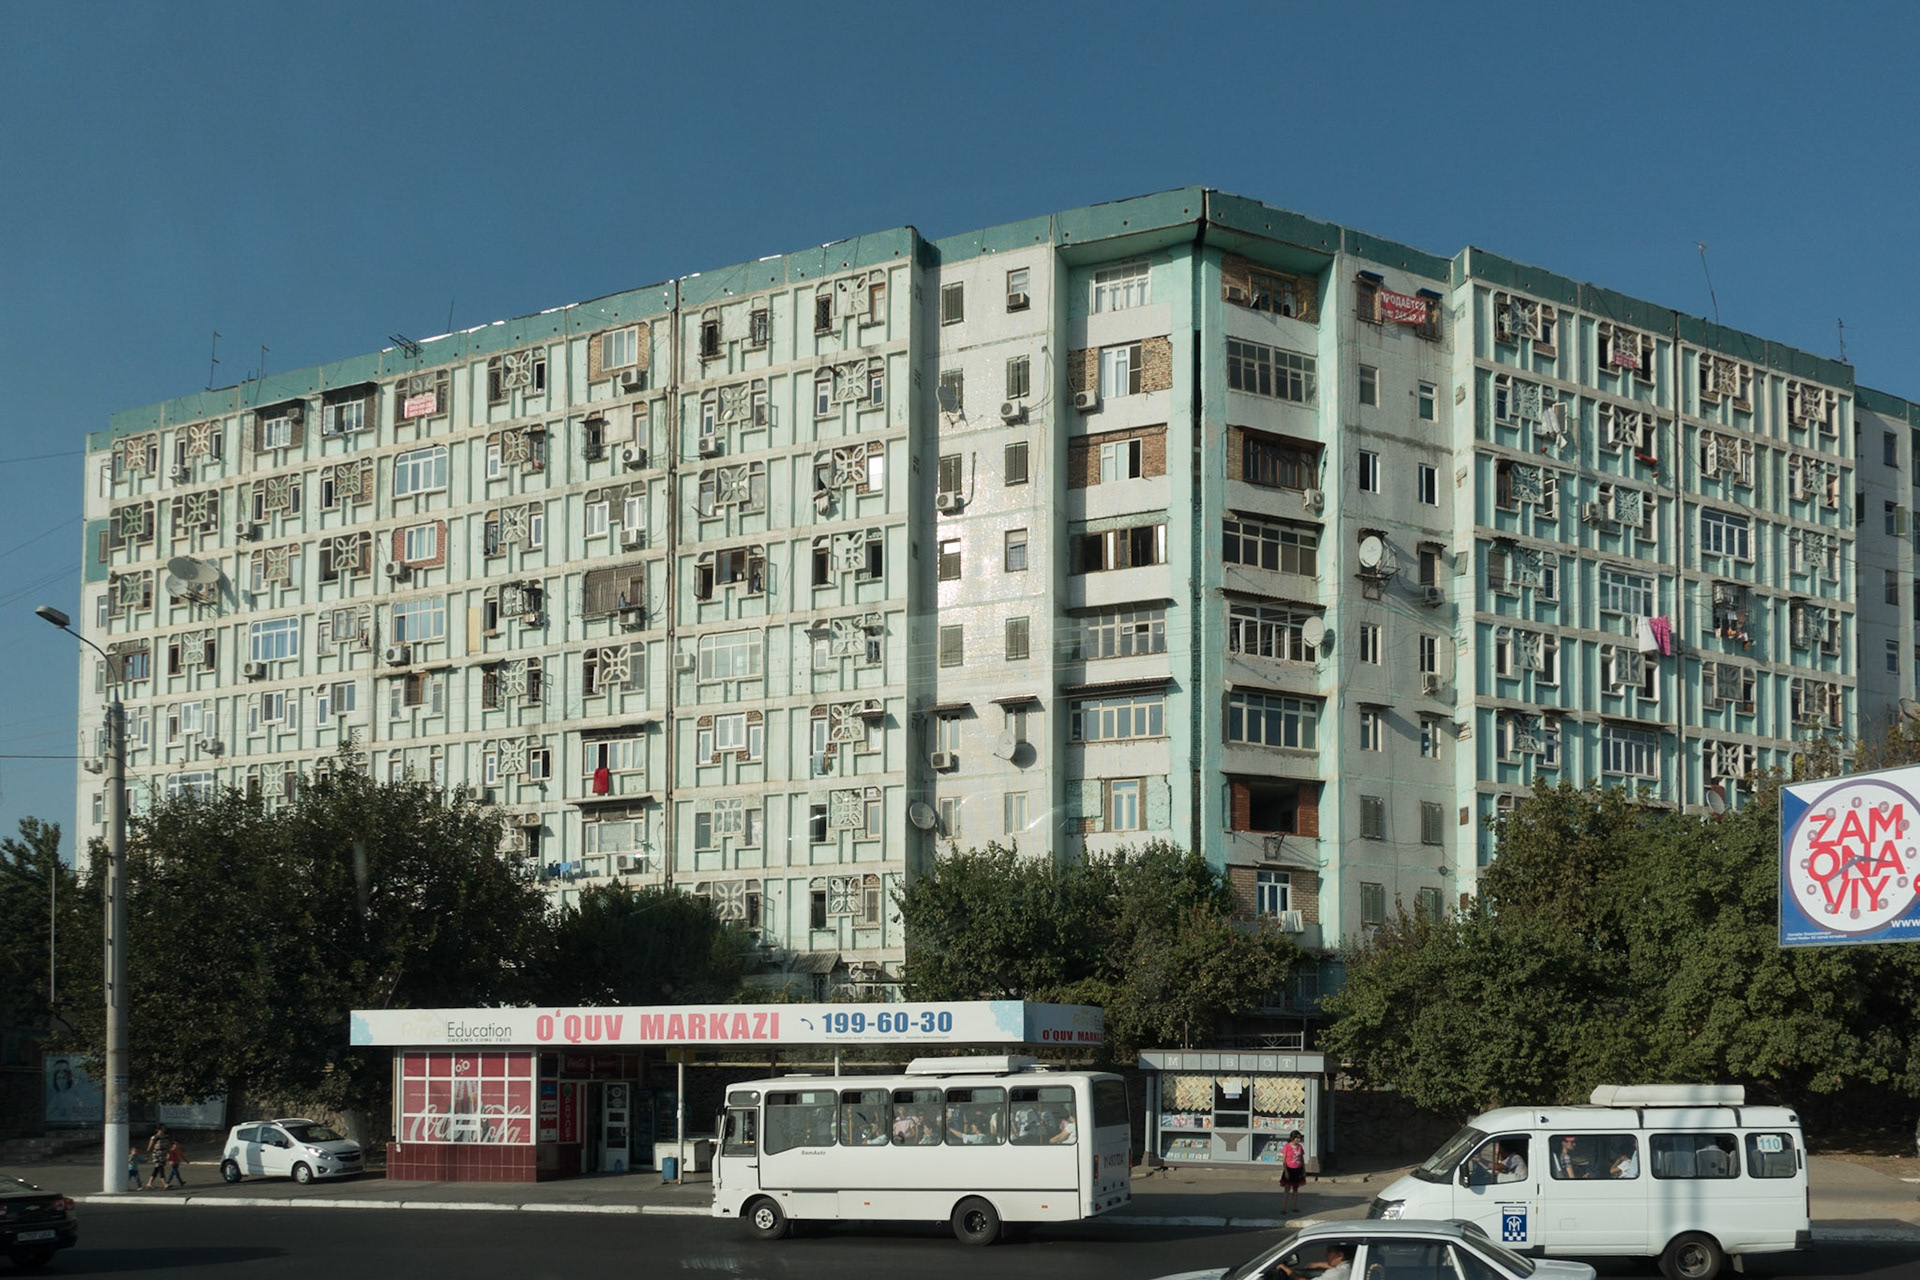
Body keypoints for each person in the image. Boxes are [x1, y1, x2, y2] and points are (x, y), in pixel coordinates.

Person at [1275, 1241, 1353, 1280]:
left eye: (1329, 1252)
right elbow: (1335, 1265)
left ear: (1340, 1255)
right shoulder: (1350, 1265)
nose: (1326, 1255)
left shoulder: (1337, 1274)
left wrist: (1287, 1270)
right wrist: (1318, 1264)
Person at [1279, 1129, 1307, 1213]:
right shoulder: (1287, 1147)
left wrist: (1304, 1170)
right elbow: (1284, 1160)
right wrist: (1286, 1171)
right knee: (1287, 1188)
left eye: (1299, 1138)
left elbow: (1301, 1158)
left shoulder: (1300, 1147)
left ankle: (1294, 1207)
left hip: (1298, 1169)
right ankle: (1283, 1208)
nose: (1298, 1140)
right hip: (1289, 1169)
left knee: (1296, 1188)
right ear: (1292, 1138)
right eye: (1297, 1138)